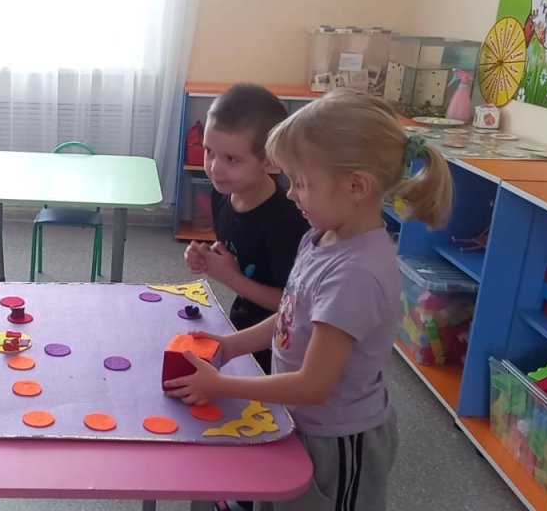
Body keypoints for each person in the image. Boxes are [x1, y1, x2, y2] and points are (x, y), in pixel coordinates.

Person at [167, 89, 453, 511]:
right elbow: (291, 314)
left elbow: (314, 384)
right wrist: (229, 346)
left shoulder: (356, 275)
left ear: (356, 186)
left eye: (300, 183)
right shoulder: (321, 236)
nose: (289, 194)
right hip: (300, 419)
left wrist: (222, 385)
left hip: (337, 442)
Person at [184, 83, 309, 374]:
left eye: (231, 159)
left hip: (281, 346)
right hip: (241, 329)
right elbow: (239, 254)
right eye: (209, 151)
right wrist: (208, 258)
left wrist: (229, 276)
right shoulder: (221, 194)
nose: (215, 167)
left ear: (268, 159)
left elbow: (293, 305)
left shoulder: (287, 222)